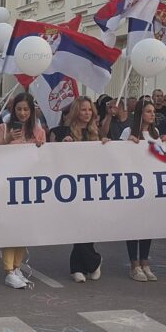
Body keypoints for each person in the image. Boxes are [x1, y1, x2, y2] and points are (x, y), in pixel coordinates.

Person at [50, 97, 106, 283]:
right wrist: (61, 145)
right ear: (76, 112)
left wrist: (106, 144)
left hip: (91, 186)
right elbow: (53, 156)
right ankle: (93, 260)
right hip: (70, 186)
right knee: (76, 225)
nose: (87, 113)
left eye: (90, 110)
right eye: (83, 110)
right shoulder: (66, 132)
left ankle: (77, 267)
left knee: (88, 226)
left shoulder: (95, 132)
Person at [0, 92, 45, 288]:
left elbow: (44, 158)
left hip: (29, 186)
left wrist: (41, 148)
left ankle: (16, 268)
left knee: (24, 228)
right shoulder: (4, 127)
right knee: (11, 227)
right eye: (19, 109)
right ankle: (8, 270)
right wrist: (7, 139)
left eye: (26, 109)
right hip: (8, 185)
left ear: (31, 111)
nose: (22, 113)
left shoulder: (38, 132)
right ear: (13, 110)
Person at [121, 100, 160, 282]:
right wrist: (128, 145)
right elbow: (118, 155)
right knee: (133, 226)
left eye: (153, 111)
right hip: (133, 185)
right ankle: (134, 264)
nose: (152, 114)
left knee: (147, 226)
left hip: (150, 184)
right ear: (140, 113)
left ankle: (145, 262)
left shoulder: (155, 133)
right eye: (148, 111)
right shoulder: (128, 132)